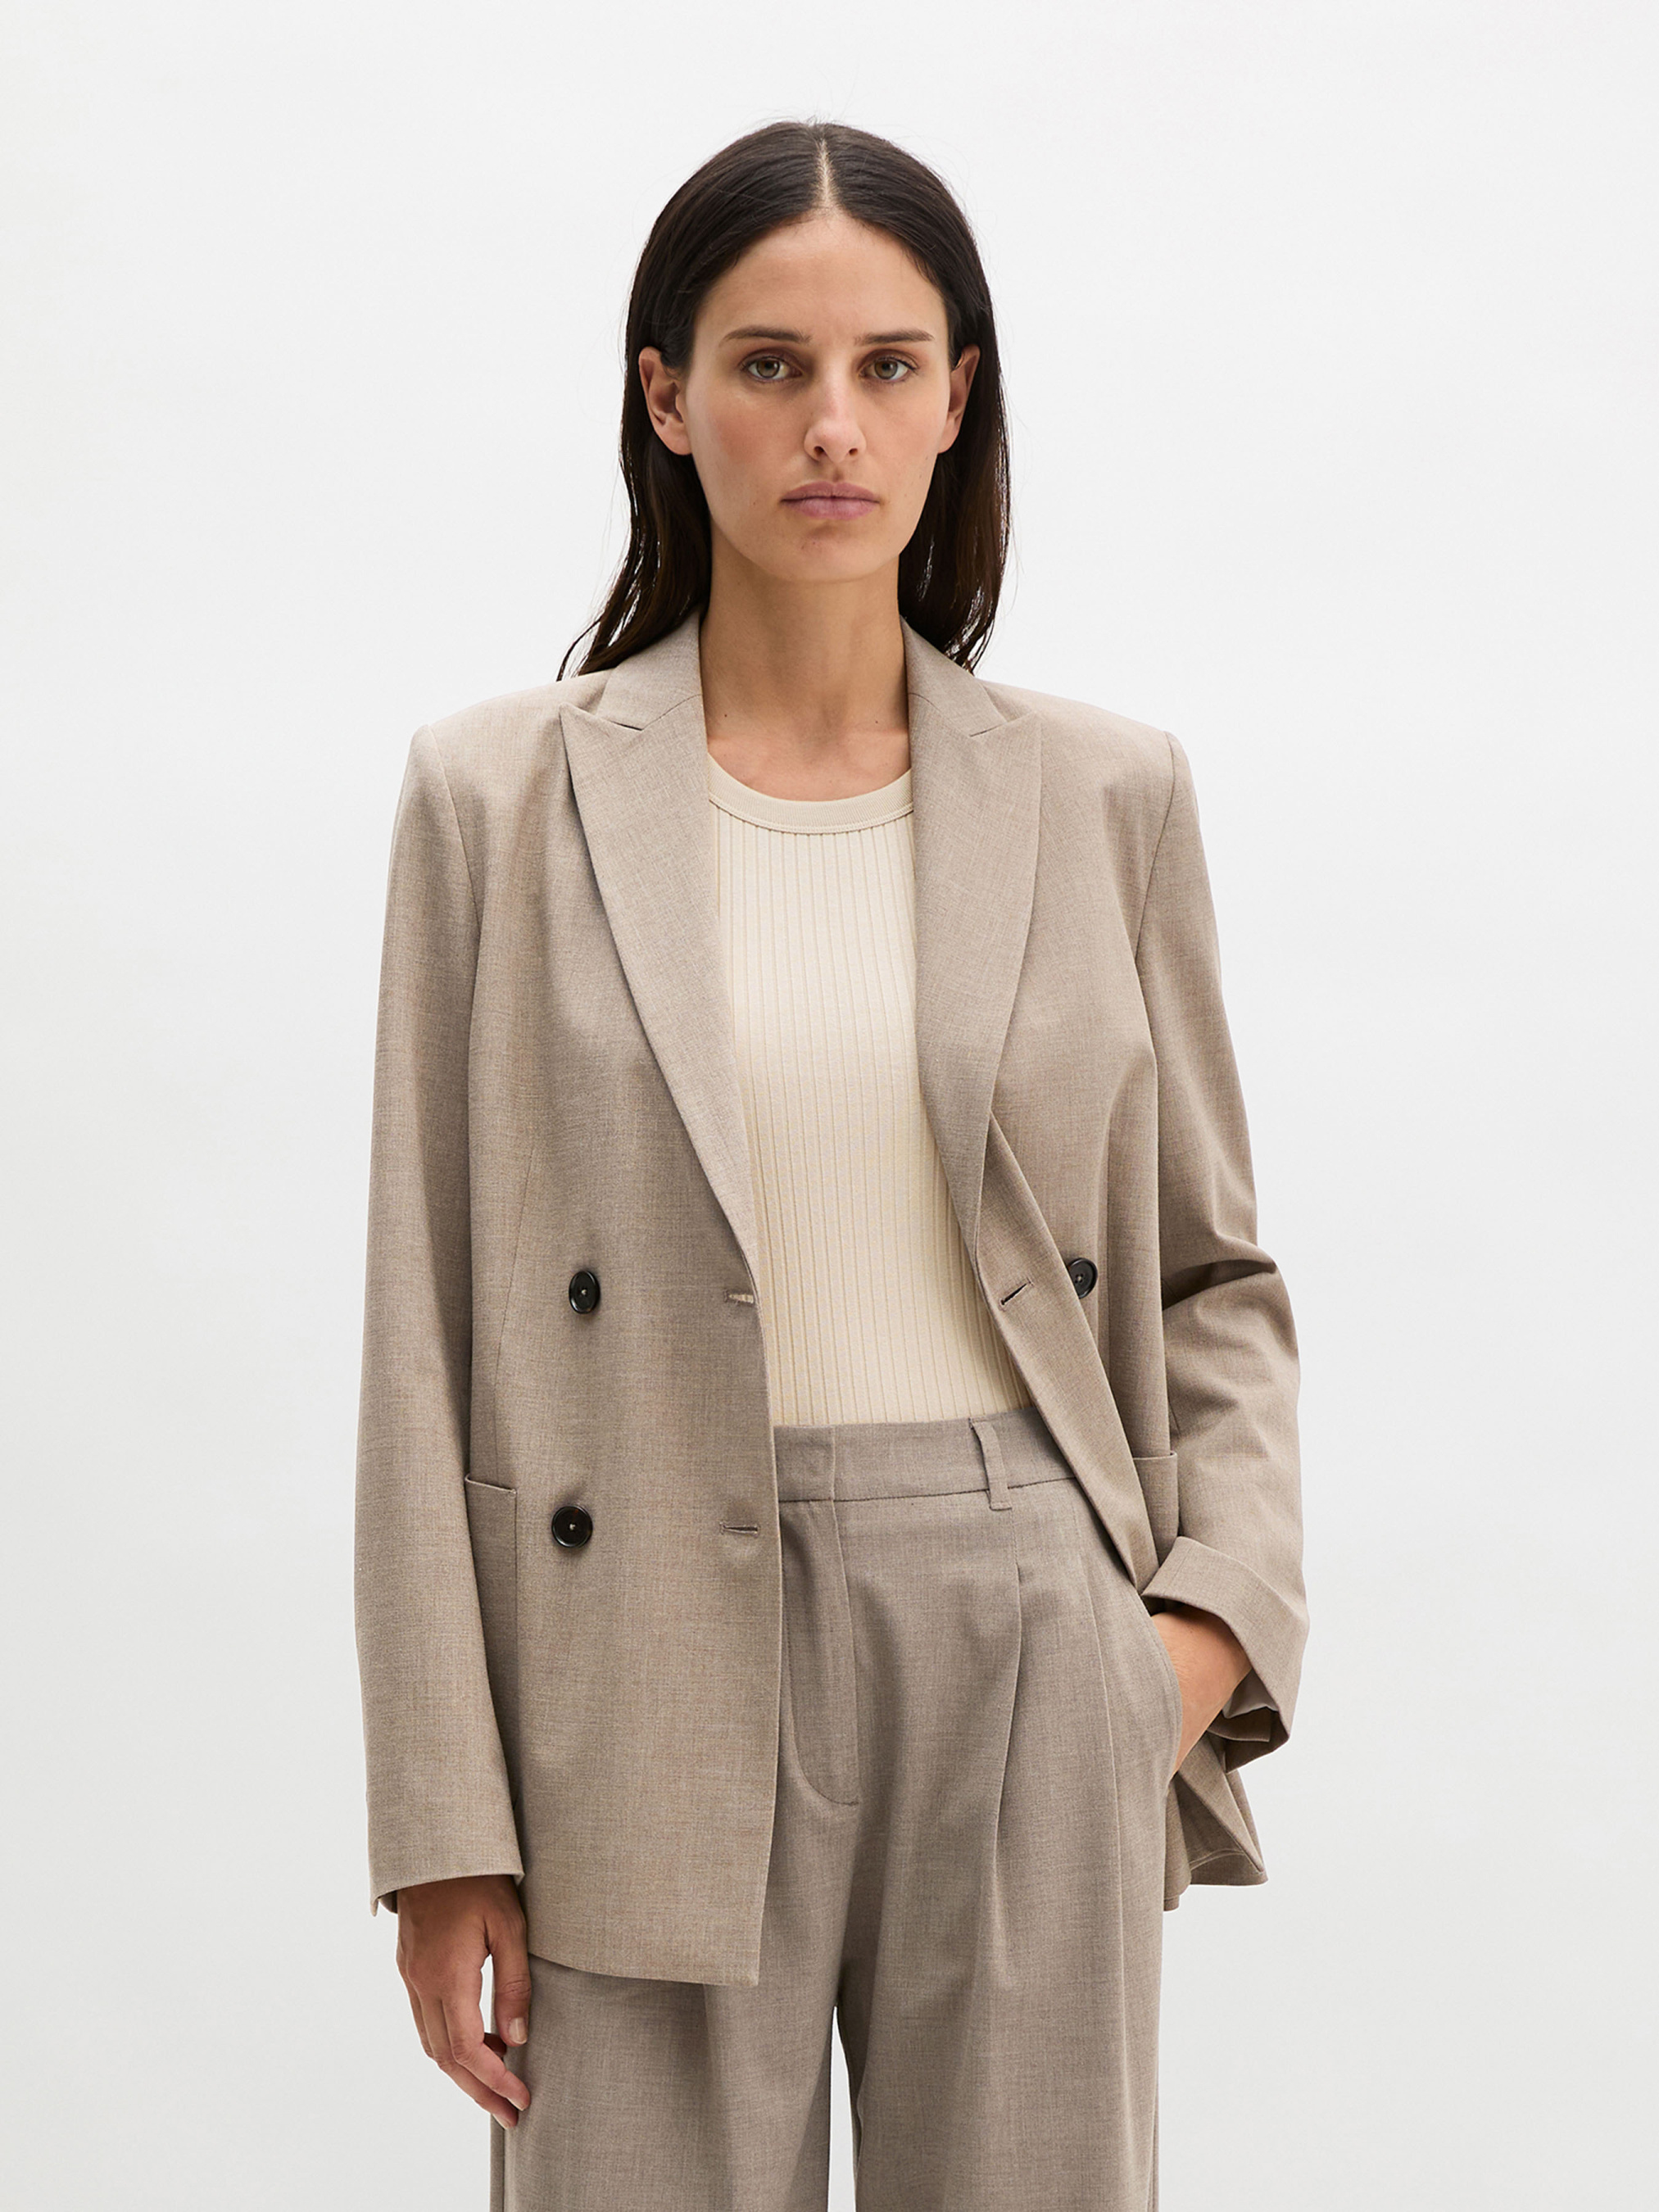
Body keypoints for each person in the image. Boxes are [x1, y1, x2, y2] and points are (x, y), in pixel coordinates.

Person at [354, 117, 1308, 2212]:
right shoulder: (495, 800)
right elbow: (419, 1332)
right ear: (664, 395)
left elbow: (1207, 1276)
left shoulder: (1104, 795)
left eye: (885, 366)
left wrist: (1193, 1636)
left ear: (956, 399)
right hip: (631, 1644)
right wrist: (441, 1823)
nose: (830, 426)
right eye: (768, 364)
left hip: (1022, 1628)